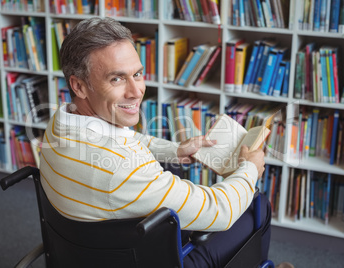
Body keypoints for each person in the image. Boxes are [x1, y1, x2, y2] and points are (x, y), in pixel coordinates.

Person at [39, 17, 271, 267]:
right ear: (79, 86)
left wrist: (175, 150)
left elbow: (125, 138)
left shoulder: (61, 120)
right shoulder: (122, 167)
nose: (137, 91)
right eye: (116, 79)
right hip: (140, 260)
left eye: (137, 74)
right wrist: (249, 169)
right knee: (258, 206)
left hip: (83, 251)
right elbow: (219, 211)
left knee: (173, 170)